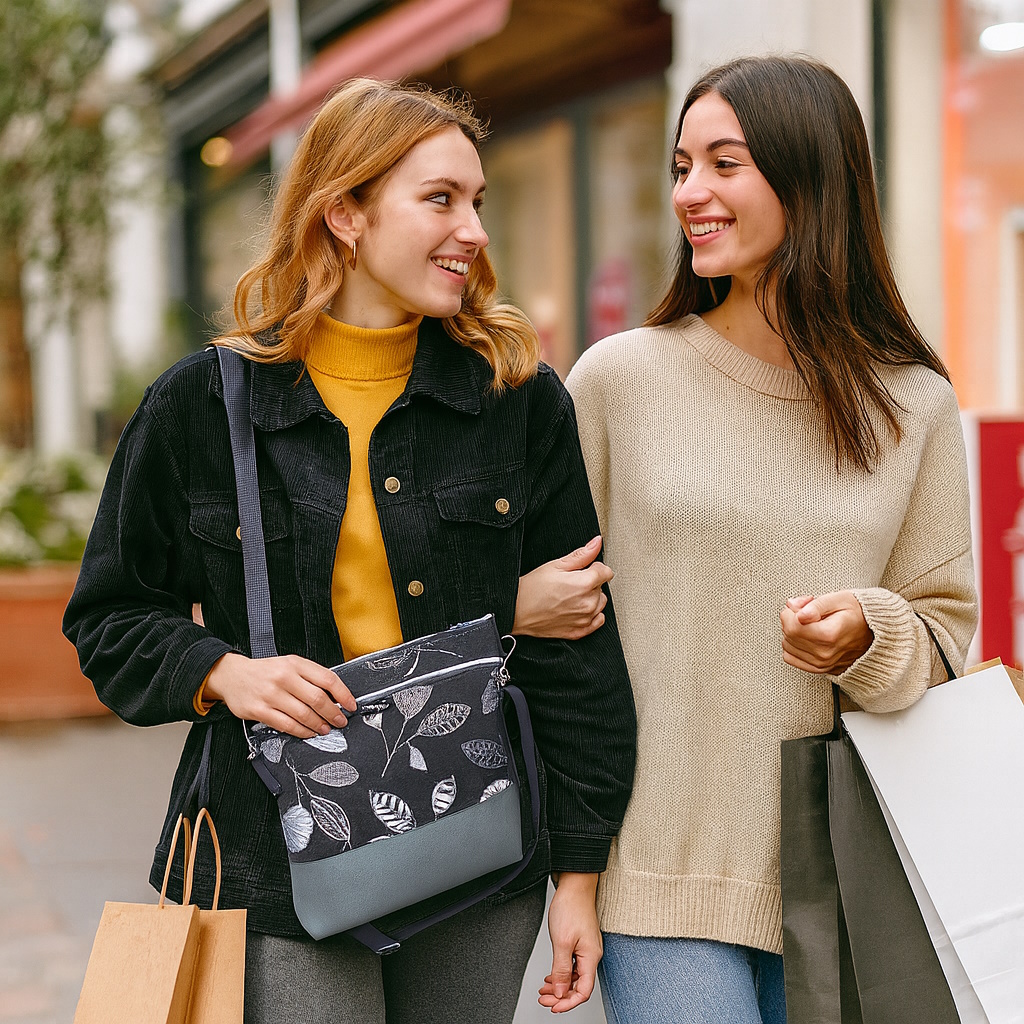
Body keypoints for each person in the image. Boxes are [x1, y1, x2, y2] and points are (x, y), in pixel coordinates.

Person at [63, 79, 636, 1024]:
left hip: (476, 851)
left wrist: (579, 870)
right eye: (440, 199)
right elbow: (109, 617)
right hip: (276, 856)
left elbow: (580, 658)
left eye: (478, 202)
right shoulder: (202, 406)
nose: (474, 231)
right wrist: (222, 674)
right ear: (345, 214)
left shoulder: (518, 402)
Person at [521, 55, 978, 1024]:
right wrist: (573, 872)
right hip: (658, 871)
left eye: (723, 164)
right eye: (681, 166)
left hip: (854, 882)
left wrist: (865, 632)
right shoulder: (618, 382)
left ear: (809, 178)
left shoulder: (913, 403)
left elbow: (945, 637)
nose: (691, 193)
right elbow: (561, 645)